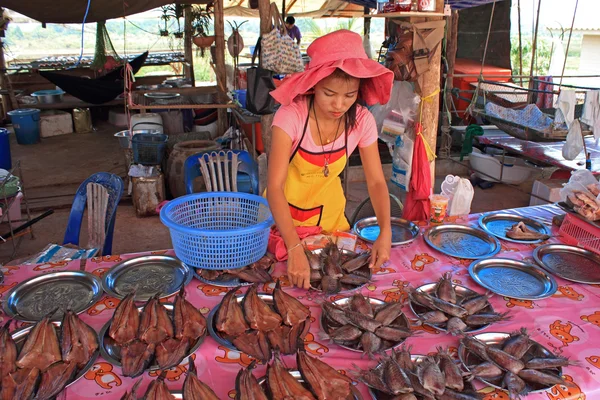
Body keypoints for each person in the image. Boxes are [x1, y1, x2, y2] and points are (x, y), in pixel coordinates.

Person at [267, 30, 395, 290]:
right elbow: (275, 187)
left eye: (349, 96)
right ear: (314, 86)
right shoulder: (291, 116)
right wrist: (293, 246)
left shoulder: (362, 121)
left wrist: (386, 230)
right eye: (329, 94)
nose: (339, 105)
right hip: (285, 224)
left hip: (331, 222)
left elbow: (377, 183)